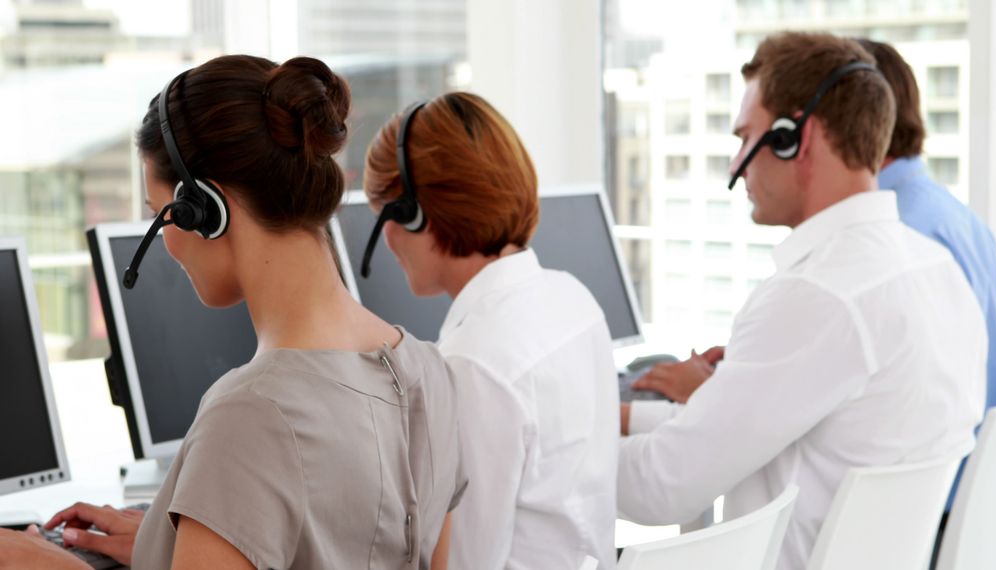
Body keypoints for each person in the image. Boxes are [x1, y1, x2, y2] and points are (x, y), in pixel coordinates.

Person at [0, 55, 465, 569]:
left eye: (163, 216)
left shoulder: (250, 415)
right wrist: (171, 541)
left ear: (207, 209)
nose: (168, 246)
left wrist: (46, 563)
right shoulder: (431, 372)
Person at [617, 32, 987, 570]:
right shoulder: (935, 268)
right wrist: (625, 418)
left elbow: (664, 486)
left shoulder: (816, 296)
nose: (736, 165)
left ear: (796, 137)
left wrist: (556, 441)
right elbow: (755, 430)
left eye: (746, 137)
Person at [362, 92, 619, 569]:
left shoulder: (473, 363)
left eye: (385, 214)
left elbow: (461, 561)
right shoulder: (572, 297)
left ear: (414, 214)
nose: (386, 238)